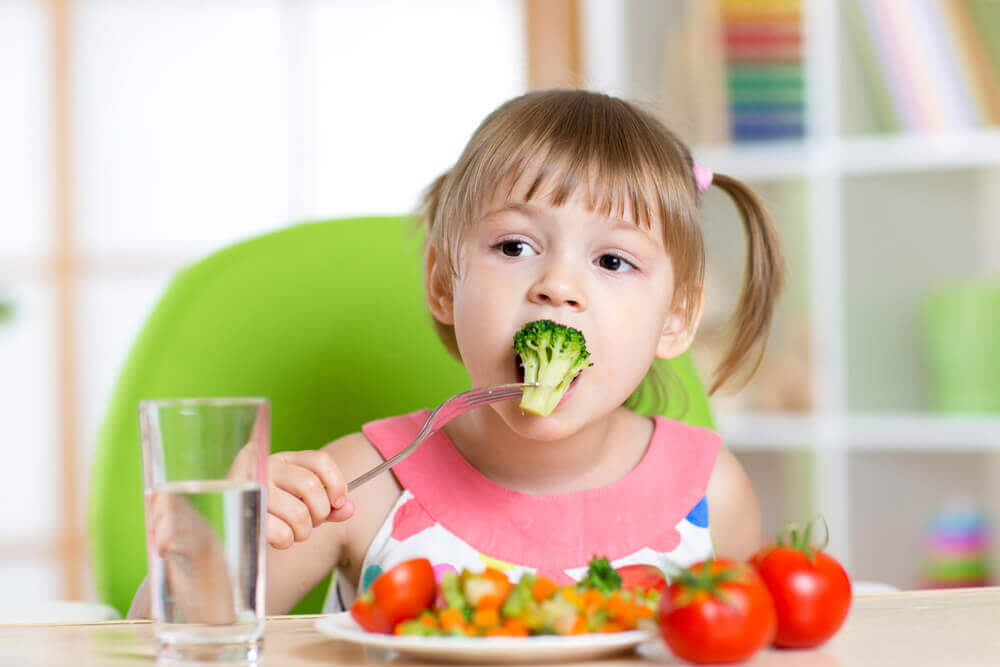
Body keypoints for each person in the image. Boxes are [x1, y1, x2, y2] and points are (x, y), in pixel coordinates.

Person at [129, 89, 784, 619]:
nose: (557, 286)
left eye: (613, 260)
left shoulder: (712, 493)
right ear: (445, 283)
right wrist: (215, 540)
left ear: (676, 319)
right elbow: (172, 643)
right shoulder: (365, 483)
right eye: (515, 247)